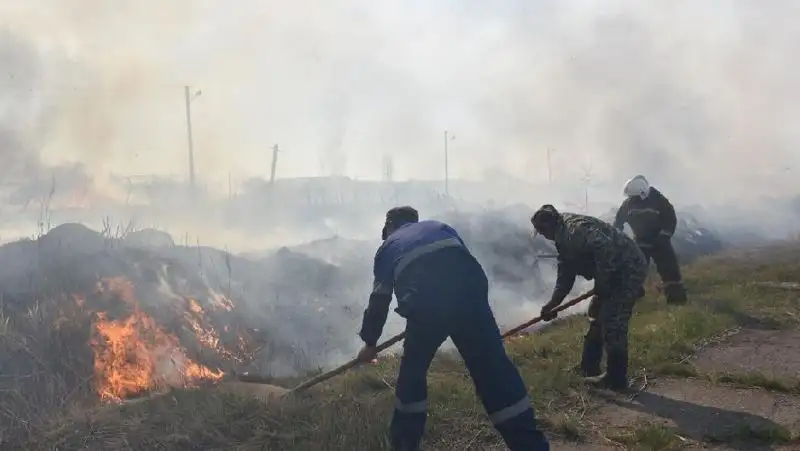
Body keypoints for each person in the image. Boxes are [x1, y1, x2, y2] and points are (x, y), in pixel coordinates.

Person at [356, 206, 550, 451]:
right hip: (471, 297)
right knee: (495, 371)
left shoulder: (388, 247)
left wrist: (370, 344)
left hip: (426, 307)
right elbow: (464, 266)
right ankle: (530, 444)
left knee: (412, 376)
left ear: (389, 227)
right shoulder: (440, 227)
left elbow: (379, 299)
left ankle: (405, 444)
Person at [531, 205, 647, 391]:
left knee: (612, 321)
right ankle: (588, 367)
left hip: (628, 270)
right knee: (596, 316)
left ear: (551, 225)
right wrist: (553, 304)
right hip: (613, 273)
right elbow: (565, 275)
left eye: (543, 231)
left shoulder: (575, 229)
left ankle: (616, 379)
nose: (543, 236)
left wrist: (603, 281)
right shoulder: (563, 238)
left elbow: (604, 245)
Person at [614, 175, 688, 304]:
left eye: (635, 197)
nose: (632, 199)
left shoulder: (659, 200)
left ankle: (676, 299)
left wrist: (663, 237)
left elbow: (670, 219)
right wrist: (616, 234)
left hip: (660, 240)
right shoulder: (628, 203)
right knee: (634, 268)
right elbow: (619, 220)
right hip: (640, 240)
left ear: (643, 193)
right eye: (631, 197)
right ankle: (633, 297)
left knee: (669, 269)